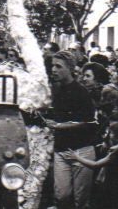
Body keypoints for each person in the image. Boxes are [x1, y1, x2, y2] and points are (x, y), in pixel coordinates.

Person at [42, 50, 98, 209]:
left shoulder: (81, 92)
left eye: (58, 66)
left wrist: (61, 126)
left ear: (70, 68)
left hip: (81, 150)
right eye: (52, 66)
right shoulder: (56, 90)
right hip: (61, 150)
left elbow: (90, 122)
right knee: (61, 195)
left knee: (80, 200)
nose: (54, 70)